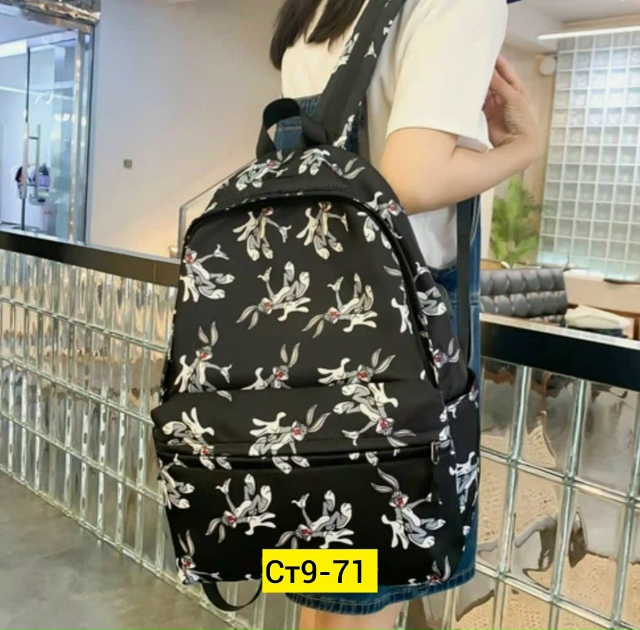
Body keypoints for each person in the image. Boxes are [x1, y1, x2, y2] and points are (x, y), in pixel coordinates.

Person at [269, 0, 540, 628]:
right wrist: (524, 148)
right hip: (399, 320)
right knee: (378, 573)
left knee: (328, 577)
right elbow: (410, 180)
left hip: (309, 307)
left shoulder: (319, 9)